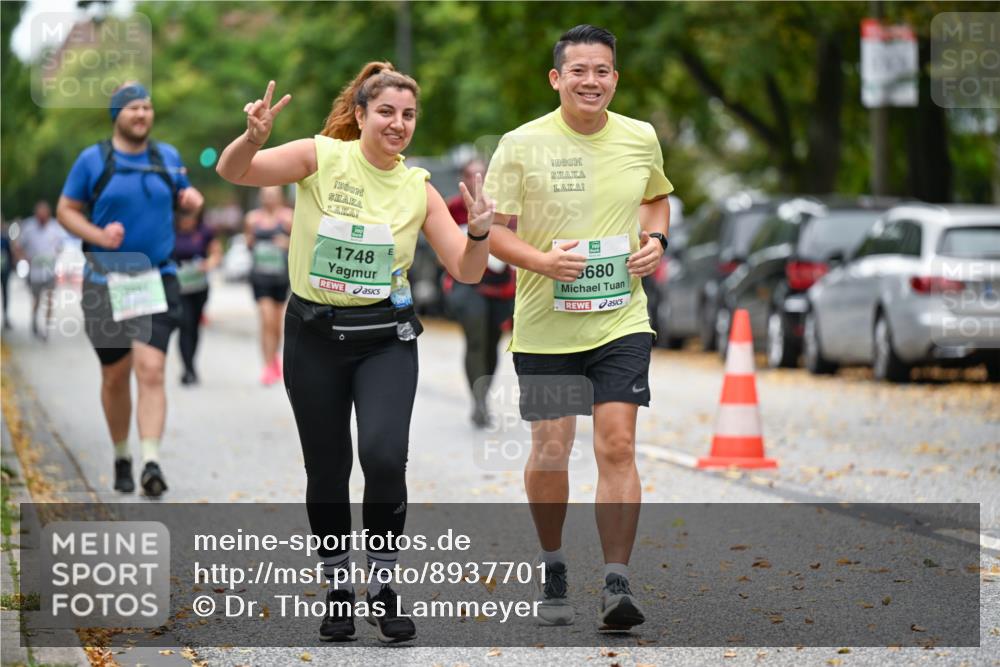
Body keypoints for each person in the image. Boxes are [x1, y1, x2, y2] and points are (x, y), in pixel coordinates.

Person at [216, 66, 493, 643]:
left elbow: (465, 270)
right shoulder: (321, 158)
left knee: (385, 457)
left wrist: (481, 234)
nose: (398, 123)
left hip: (385, 341)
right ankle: (339, 586)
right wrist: (253, 137)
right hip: (314, 336)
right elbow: (233, 171)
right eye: (386, 111)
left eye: (408, 115)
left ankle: (384, 585)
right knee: (328, 469)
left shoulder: (418, 188)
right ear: (362, 113)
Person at [484, 25, 673, 631]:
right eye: (579, 71)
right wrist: (541, 261)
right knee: (552, 448)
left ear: (615, 78)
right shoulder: (520, 144)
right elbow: (496, 230)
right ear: (557, 78)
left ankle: (616, 583)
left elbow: (657, 198)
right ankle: (554, 561)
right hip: (547, 327)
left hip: (621, 318)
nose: (591, 81)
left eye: (602, 71)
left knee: (617, 445)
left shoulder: (640, 137)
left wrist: (656, 240)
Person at [56, 82, 204, 497]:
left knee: (152, 370)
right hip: (106, 280)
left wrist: (192, 198)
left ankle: (151, 461)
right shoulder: (94, 160)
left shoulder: (166, 157)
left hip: (157, 277)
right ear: (116, 113)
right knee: (115, 376)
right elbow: (66, 210)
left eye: (148, 107)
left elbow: (184, 194)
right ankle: (122, 454)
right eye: (133, 108)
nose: (142, 114)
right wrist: (98, 236)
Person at [444, 158, 515, 427]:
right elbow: (440, 243)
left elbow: (519, 238)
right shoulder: (453, 207)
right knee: (476, 339)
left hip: (499, 287)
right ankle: (479, 403)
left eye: (482, 175)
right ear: (464, 178)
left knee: (491, 341)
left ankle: (484, 393)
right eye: (471, 175)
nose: (477, 180)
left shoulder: (503, 207)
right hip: (465, 285)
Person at [245, 185, 293, 385]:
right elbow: (248, 243)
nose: (269, 199)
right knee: (265, 319)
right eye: (265, 195)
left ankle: (274, 360)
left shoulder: (288, 218)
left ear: (280, 197)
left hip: (281, 277)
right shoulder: (252, 219)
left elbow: (299, 244)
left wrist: (286, 243)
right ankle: (267, 365)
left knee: (276, 323)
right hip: (260, 276)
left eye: (273, 195)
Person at [172, 211, 222, 386]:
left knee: (193, 326)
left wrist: (208, 264)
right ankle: (188, 369)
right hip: (178, 287)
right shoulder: (170, 230)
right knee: (184, 324)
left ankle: (191, 363)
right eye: (184, 216)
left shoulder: (204, 231)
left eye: (190, 216)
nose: (187, 220)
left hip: (199, 287)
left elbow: (216, 253)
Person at [16, 201, 64, 340]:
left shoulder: (55, 228)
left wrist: (55, 256)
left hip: (49, 272)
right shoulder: (28, 227)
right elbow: (18, 246)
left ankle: (47, 329)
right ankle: (34, 321)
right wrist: (25, 259)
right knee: (36, 300)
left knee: (49, 300)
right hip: (35, 273)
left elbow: (60, 247)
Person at [1, 218, 13, 330]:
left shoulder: (4, 239)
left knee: (5, 293)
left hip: (4, 270)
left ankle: (6, 317)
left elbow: (10, 254)